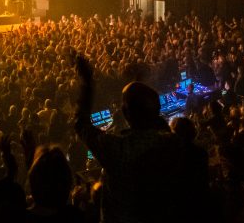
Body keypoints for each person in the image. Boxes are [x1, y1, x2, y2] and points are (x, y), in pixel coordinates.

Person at [72, 55, 188, 223]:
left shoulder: (118, 149)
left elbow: (81, 125)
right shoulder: (175, 142)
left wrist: (87, 85)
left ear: (125, 113)